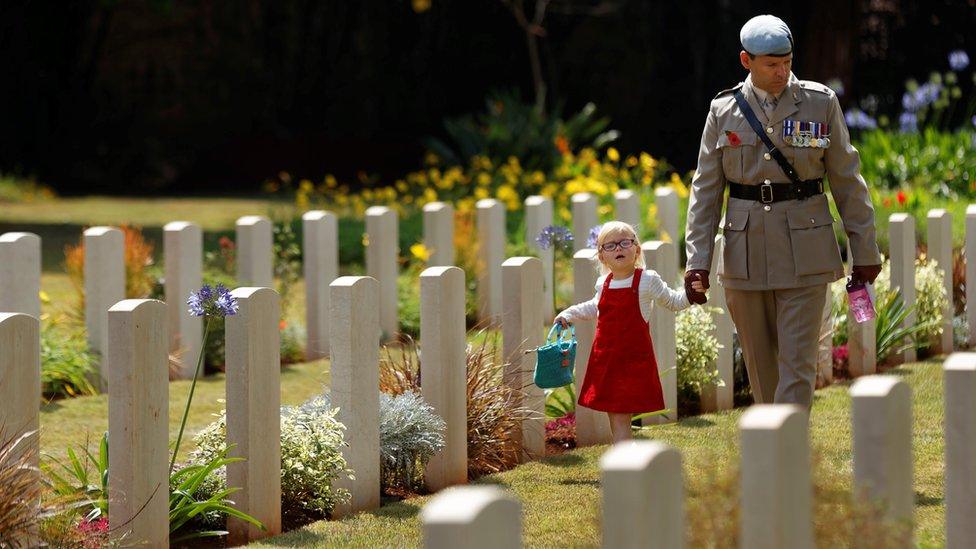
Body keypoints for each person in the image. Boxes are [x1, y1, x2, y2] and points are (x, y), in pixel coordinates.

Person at [683, 14, 882, 409]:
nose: (782, 72)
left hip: (805, 247)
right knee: (761, 369)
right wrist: (697, 261)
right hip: (745, 252)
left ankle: (788, 455)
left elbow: (847, 181)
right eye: (771, 64)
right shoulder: (723, 111)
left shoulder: (819, 102)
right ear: (747, 61)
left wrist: (866, 251)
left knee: (797, 365)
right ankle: (773, 457)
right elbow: (706, 191)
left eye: (787, 62)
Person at [554, 221, 703, 442]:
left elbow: (673, 301)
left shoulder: (646, 280)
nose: (619, 248)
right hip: (606, 361)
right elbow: (594, 307)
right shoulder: (603, 283)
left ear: (637, 250)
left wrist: (692, 292)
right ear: (602, 256)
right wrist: (568, 314)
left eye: (625, 242)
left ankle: (623, 463)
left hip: (633, 362)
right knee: (616, 416)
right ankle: (624, 460)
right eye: (610, 245)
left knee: (621, 415)